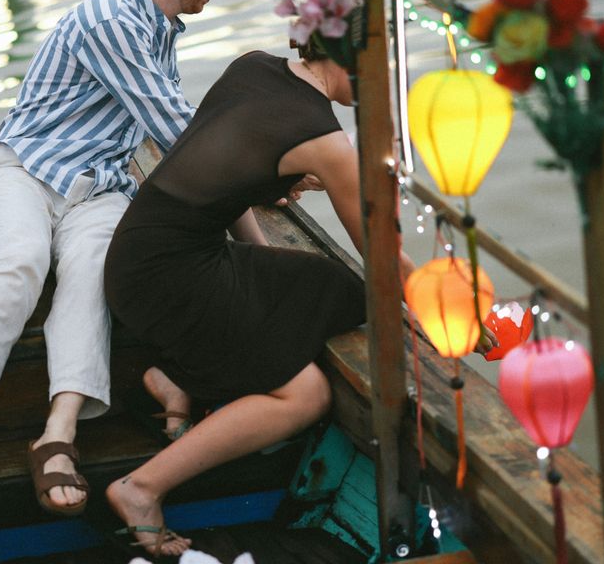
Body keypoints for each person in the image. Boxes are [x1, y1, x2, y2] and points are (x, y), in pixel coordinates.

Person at [0, 0, 253, 526]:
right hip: (24, 170)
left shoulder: (158, 29)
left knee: (90, 274)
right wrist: (270, 172)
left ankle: (58, 432)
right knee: (19, 263)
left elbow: (167, 136)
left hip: (99, 187)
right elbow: (179, 131)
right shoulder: (115, 20)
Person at [102, 38, 422, 556]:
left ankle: (179, 379)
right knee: (308, 394)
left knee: (329, 286)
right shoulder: (328, 143)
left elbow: (217, 183)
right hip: (171, 280)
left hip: (141, 254)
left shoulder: (253, 65)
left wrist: (259, 265)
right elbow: (387, 260)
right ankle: (140, 489)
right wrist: (460, 323)